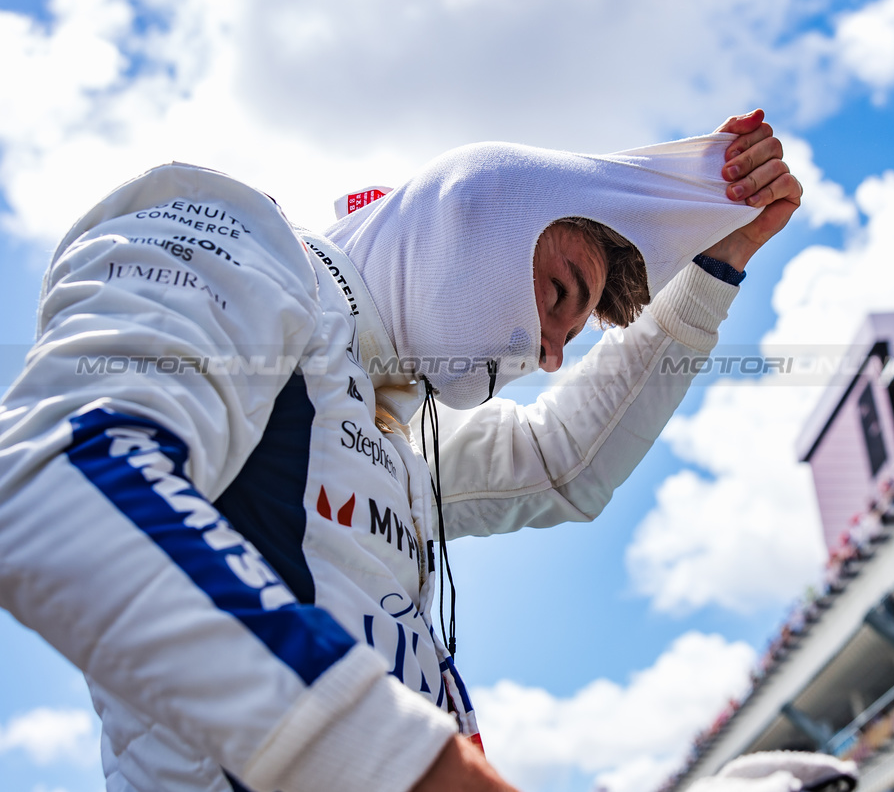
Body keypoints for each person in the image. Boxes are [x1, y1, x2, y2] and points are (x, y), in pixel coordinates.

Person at [0, 111, 802, 792]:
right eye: (559, 294)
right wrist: (413, 765)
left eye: (567, 335)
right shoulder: (250, 243)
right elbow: (53, 477)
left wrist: (714, 263)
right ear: (476, 211)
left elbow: (563, 465)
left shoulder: (393, 418)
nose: (550, 355)